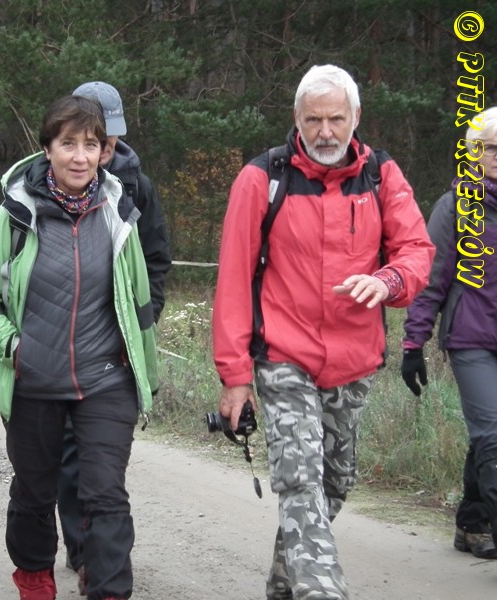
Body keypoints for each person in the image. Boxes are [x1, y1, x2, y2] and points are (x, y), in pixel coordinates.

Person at [212, 64, 434, 600]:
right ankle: (322, 590)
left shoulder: (381, 175)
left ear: (356, 117)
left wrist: (387, 281)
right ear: (296, 118)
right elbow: (234, 280)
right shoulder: (261, 179)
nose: (325, 132)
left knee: (334, 483)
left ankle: (283, 585)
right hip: (283, 355)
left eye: (336, 119)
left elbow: (417, 251)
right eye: (314, 120)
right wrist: (235, 376)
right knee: (299, 477)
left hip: (354, 359)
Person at [0, 95, 158, 600]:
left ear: (102, 151)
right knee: (34, 492)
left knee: (106, 495)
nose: (79, 156)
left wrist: (144, 372)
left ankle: (108, 591)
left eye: (90, 144)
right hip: (33, 380)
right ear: (47, 149)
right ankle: (34, 580)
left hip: (105, 379)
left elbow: (138, 302)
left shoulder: (119, 211)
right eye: (68, 143)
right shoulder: (15, 214)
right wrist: (16, 350)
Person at [58, 80, 171, 580]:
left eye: (109, 136)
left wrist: (143, 322)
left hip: (116, 349)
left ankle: (101, 562)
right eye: (94, 134)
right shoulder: (47, 181)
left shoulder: (138, 186)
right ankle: (81, 549)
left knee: (104, 461)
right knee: (67, 457)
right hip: (58, 349)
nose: (103, 146)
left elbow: (157, 257)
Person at [402, 106, 497, 560]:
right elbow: (430, 279)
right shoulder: (457, 206)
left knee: (487, 436)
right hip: (471, 339)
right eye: (490, 148)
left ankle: (473, 522)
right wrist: (413, 343)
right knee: (494, 435)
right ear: (474, 153)